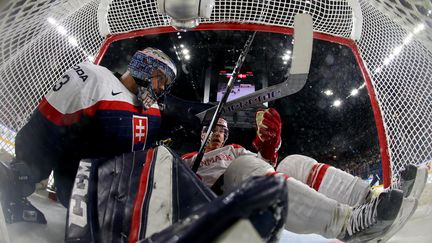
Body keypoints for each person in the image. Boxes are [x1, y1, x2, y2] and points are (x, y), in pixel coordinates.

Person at [182, 109, 426, 242]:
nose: (217, 134)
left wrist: (269, 146)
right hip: (218, 217)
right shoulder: (187, 159)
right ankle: (347, 225)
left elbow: (264, 169)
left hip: (252, 202)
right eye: (211, 129)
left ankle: (370, 201)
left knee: (292, 162)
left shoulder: (234, 150)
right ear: (202, 134)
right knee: (244, 167)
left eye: (222, 130)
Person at [0, 47, 177, 223]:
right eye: (160, 78)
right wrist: (28, 168)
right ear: (143, 66)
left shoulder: (154, 112)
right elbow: (48, 123)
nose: (161, 88)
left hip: (119, 194)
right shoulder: (94, 79)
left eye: (165, 84)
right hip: (79, 186)